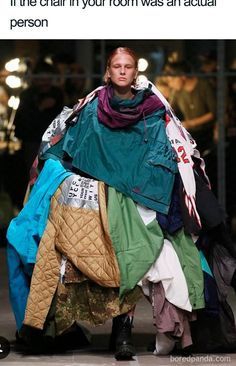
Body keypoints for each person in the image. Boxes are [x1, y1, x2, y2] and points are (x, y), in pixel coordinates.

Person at [7, 47, 236, 360]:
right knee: (89, 252)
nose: (123, 71)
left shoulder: (153, 109)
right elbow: (70, 145)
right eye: (117, 66)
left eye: (128, 66)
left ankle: (125, 330)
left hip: (142, 198)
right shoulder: (91, 108)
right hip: (102, 195)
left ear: (135, 72)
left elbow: (165, 154)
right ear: (109, 72)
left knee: (145, 255)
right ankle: (96, 330)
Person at [166, 61, 216, 155]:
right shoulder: (176, 92)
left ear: (183, 76)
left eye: (172, 80)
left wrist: (191, 123)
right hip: (190, 133)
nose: (170, 84)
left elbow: (214, 112)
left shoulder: (203, 85)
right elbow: (168, 110)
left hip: (207, 132)